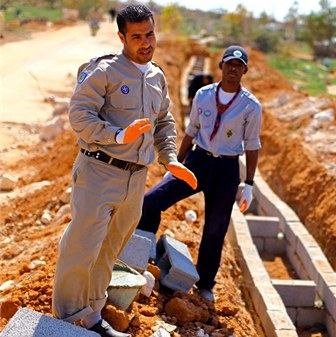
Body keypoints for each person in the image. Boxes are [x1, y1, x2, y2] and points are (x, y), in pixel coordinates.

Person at [52, 5, 197, 337]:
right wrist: (118, 135)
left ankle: (90, 316)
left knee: (109, 250)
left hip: (135, 180)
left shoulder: (157, 75)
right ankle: (63, 323)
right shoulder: (105, 72)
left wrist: (170, 158)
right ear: (122, 37)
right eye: (137, 37)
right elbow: (80, 116)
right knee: (81, 247)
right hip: (99, 172)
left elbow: (165, 123)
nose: (146, 43)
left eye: (150, 34)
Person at [136, 45, 262, 302]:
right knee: (151, 200)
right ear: (221, 66)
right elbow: (190, 132)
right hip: (198, 161)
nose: (233, 69)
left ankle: (205, 284)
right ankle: (143, 253)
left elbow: (252, 145)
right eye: (229, 64)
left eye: (239, 66)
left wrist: (248, 183)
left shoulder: (251, 106)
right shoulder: (203, 95)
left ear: (245, 70)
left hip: (226, 169)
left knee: (215, 229)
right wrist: (175, 164)